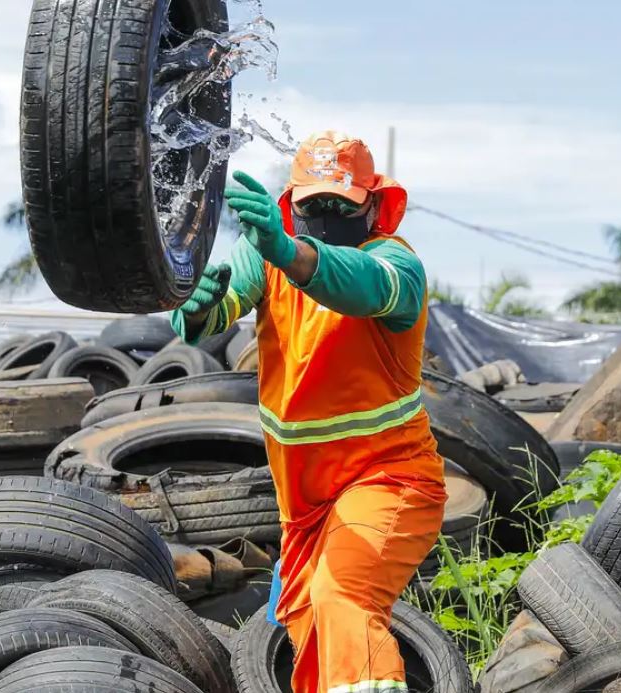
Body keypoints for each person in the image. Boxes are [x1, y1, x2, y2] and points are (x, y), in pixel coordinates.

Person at [170, 131, 447, 693]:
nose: (324, 213)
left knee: (344, 594)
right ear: (290, 202)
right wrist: (193, 312)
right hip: (304, 504)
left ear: (372, 204)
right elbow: (219, 310)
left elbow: (364, 287)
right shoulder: (266, 258)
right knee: (308, 625)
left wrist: (291, 252)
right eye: (312, 203)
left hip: (389, 479)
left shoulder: (395, 262)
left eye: (339, 204)